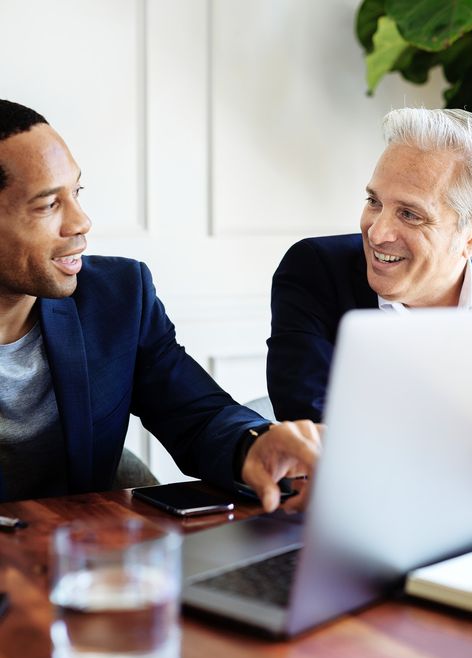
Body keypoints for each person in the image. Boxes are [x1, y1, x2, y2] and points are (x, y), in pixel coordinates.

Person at [0, 99, 322, 511]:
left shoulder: (117, 296)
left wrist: (254, 446)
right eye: (48, 205)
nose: (81, 222)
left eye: (77, 192)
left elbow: (198, 416)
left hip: (79, 557)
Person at [267, 107, 472, 422]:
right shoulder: (315, 270)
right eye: (374, 202)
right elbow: (313, 430)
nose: (377, 233)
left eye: (409, 214)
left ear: (469, 237)